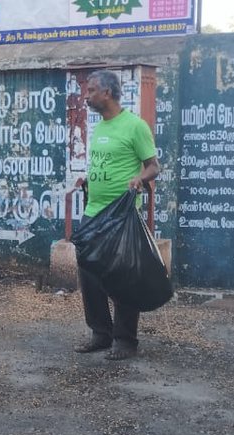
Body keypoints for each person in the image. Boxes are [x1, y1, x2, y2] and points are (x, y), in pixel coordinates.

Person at [73, 70, 160, 361]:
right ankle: (101, 333)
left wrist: (138, 178)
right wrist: (89, 179)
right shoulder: (100, 127)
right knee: (89, 275)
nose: (86, 96)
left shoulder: (134, 126)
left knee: (124, 277)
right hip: (93, 213)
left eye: (91, 90)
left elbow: (153, 166)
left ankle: (126, 340)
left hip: (121, 215)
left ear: (107, 93)